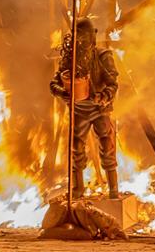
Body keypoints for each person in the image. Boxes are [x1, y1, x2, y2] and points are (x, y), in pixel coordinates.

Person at [49, 18, 119, 198]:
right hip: (78, 110)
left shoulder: (103, 56)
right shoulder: (69, 59)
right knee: (76, 150)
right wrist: (61, 92)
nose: (82, 41)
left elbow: (112, 84)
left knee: (107, 148)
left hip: (99, 110)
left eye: (84, 36)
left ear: (92, 36)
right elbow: (54, 83)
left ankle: (113, 191)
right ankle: (77, 190)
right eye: (78, 37)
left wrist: (102, 97)